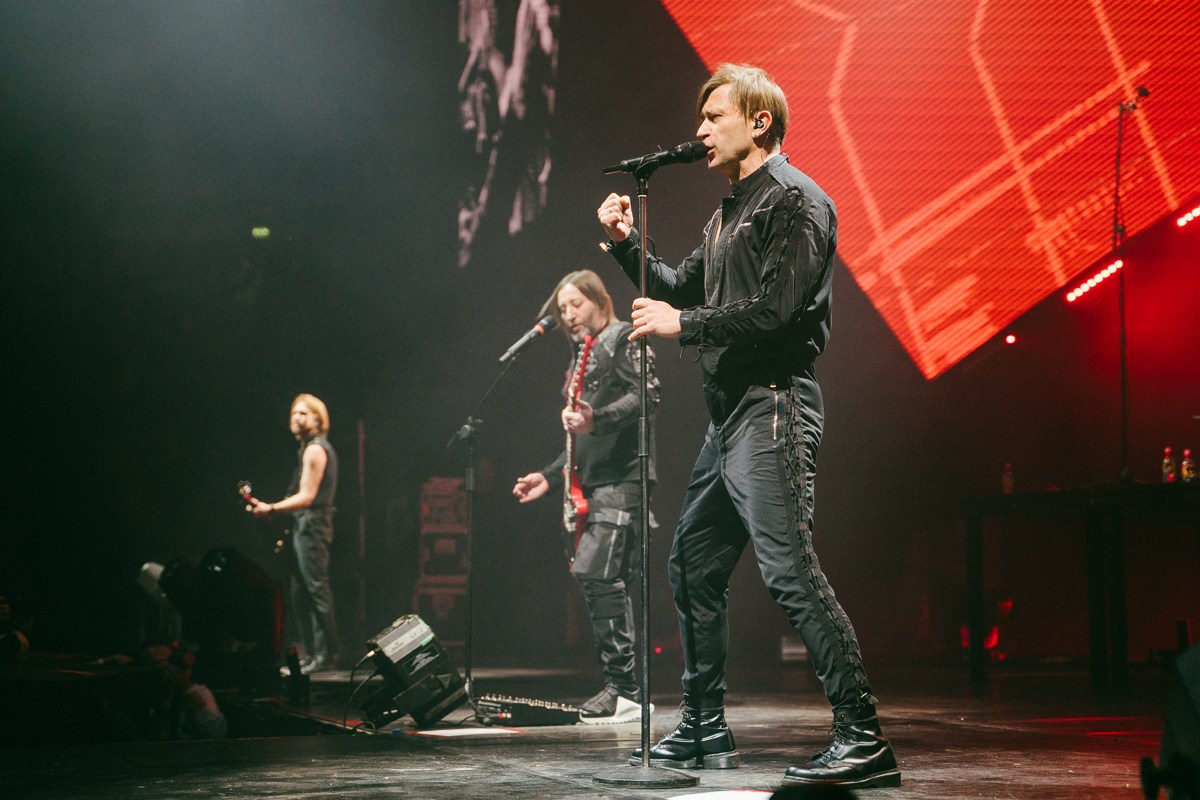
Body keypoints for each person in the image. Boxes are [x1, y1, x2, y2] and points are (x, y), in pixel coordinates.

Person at [596, 64, 899, 788]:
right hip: (729, 416)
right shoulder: (728, 213)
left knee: (790, 570)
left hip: (773, 404)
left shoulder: (797, 201)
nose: (699, 130)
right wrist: (624, 245)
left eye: (714, 116)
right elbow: (674, 288)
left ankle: (863, 735)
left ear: (759, 122)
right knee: (691, 563)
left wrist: (684, 324)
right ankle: (704, 726)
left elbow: (777, 311)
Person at [512, 269, 659, 724]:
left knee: (596, 572)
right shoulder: (581, 354)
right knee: (600, 578)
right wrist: (549, 476)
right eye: (561, 308)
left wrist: (598, 420)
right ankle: (625, 689)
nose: (567, 314)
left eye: (574, 304)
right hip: (596, 481)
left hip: (625, 478)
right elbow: (581, 440)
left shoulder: (620, 337)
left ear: (599, 300)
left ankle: (626, 690)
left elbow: (647, 396)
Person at [245, 394, 341, 675]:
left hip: (312, 526)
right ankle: (313, 654)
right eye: (293, 413)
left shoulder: (315, 450)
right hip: (304, 526)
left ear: (317, 419)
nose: (296, 418)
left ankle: (328, 653)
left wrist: (271, 508)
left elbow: (308, 497)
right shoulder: (307, 450)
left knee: (315, 588)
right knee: (301, 592)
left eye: (303, 413)